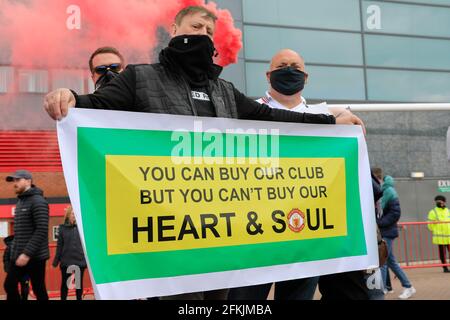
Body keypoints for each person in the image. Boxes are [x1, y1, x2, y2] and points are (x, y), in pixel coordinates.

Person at [43, 6, 364, 300]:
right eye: (196, 26)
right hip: (167, 245)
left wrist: (329, 121)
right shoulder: (139, 78)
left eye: (209, 32)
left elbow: (272, 118)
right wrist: (68, 96)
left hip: (215, 244)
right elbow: (93, 106)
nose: (202, 35)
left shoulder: (223, 91)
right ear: (175, 28)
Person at [229, 49, 366, 300]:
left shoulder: (327, 118)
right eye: (283, 65)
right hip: (253, 233)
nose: (289, 69)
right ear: (268, 75)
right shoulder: (245, 114)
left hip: (302, 232)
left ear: (306, 76)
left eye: (295, 66)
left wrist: (344, 117)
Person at [3, 170, 49, 300]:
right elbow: (21, 233)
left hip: (34, 257)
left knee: (38, 289)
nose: (15, 183)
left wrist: (26, 254)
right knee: (9, 286)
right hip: (18, 255)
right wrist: (14, 253)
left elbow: (41, 230)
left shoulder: (38, 201)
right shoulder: (21, 202)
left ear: (28, 181)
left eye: (18, 180)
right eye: (14, 181)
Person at [377, 175, 416, 299]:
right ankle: (408, 286)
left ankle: (383, 290)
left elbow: (395, 213)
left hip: (387, 232)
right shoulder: (387, 192)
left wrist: (379, 223)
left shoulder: (388, 192)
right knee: (390, 261)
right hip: (387, 231)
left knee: (383, 262)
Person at [52, 205, 87, 300]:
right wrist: (56, 261)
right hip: (66, 261)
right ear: (68, 215)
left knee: (78, 284)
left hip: (79, 260)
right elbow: (59, 246)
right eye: (72, 214)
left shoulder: (82, 227)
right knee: (65, 283)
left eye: (76, 214)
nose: (74, 216)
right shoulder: (62, 228)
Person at [2, 235, 30, 300]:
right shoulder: (25, 245)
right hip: (24, 271)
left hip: (14, 271)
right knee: (24, 286)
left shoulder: (8, 247)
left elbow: (5, 259)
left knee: (11, 286)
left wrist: (8, 269)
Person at [427, 195, 450, 273]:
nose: (438, 202)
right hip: (440, 237)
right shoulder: (433, 212)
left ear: (444, 202)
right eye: (437, 201)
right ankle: (445, 268)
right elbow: (429, 225)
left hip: (449, 236)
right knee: (443, 254)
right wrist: (436, 229)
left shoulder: (448, 210)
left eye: (440, 201)